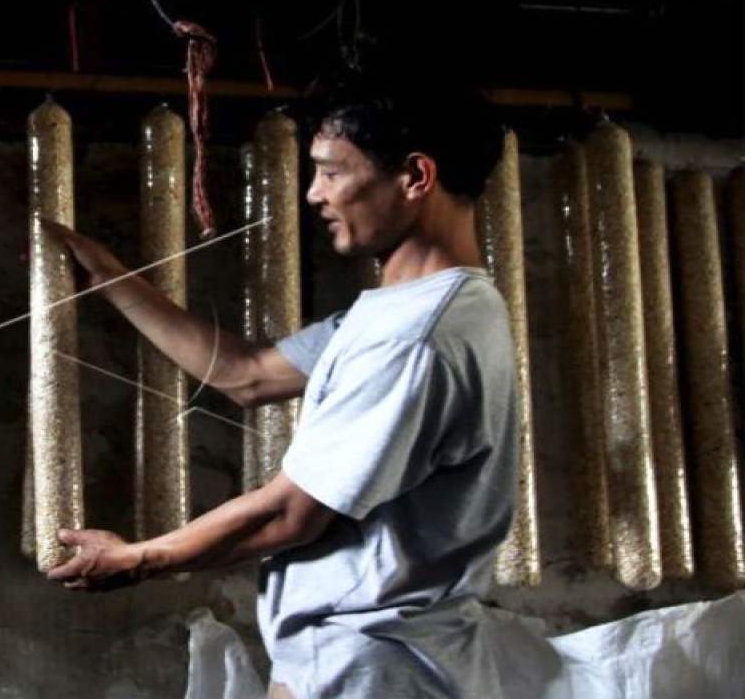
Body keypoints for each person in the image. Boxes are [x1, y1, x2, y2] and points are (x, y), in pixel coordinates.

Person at [43, 78, 516, 698]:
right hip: (365, 654)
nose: (314, 194)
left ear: (416, 176)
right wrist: (105, 275)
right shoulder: (416, 310)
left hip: (372, 662)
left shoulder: (415, 337)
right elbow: (247, 373)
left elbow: (291, 513)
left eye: (331, 173)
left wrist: (139, 558)